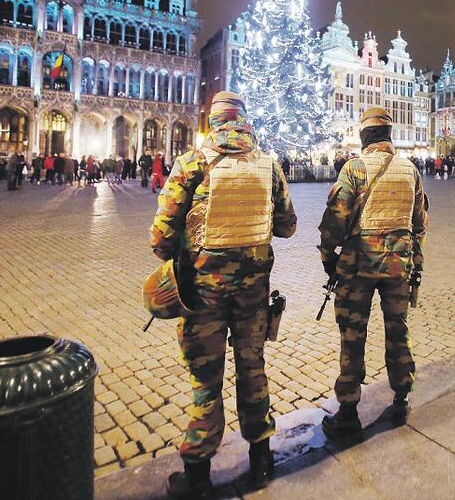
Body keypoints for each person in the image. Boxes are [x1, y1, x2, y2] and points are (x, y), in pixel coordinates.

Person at [150, 91, 296, 496]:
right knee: (253, 369)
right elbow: (287, 226)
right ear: (244, 121)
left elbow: (160, 238)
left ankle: (197, 471)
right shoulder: (268, 166)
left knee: (205, 377)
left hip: (202, 297)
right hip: (252, 295)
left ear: (214, 122)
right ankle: (262, 458)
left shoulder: (192, 163)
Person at [318, 106, 428, 440]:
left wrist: (328, 259)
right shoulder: (410, 170)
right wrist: (415, 262)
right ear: (389, 134)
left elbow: (334, 221)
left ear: (365, 135)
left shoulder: (354, 169)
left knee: (353, 336)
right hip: (398, 267)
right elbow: (420, 223)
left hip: (358, 268)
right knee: (399, 331)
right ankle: (400, 398)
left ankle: (349, 410)